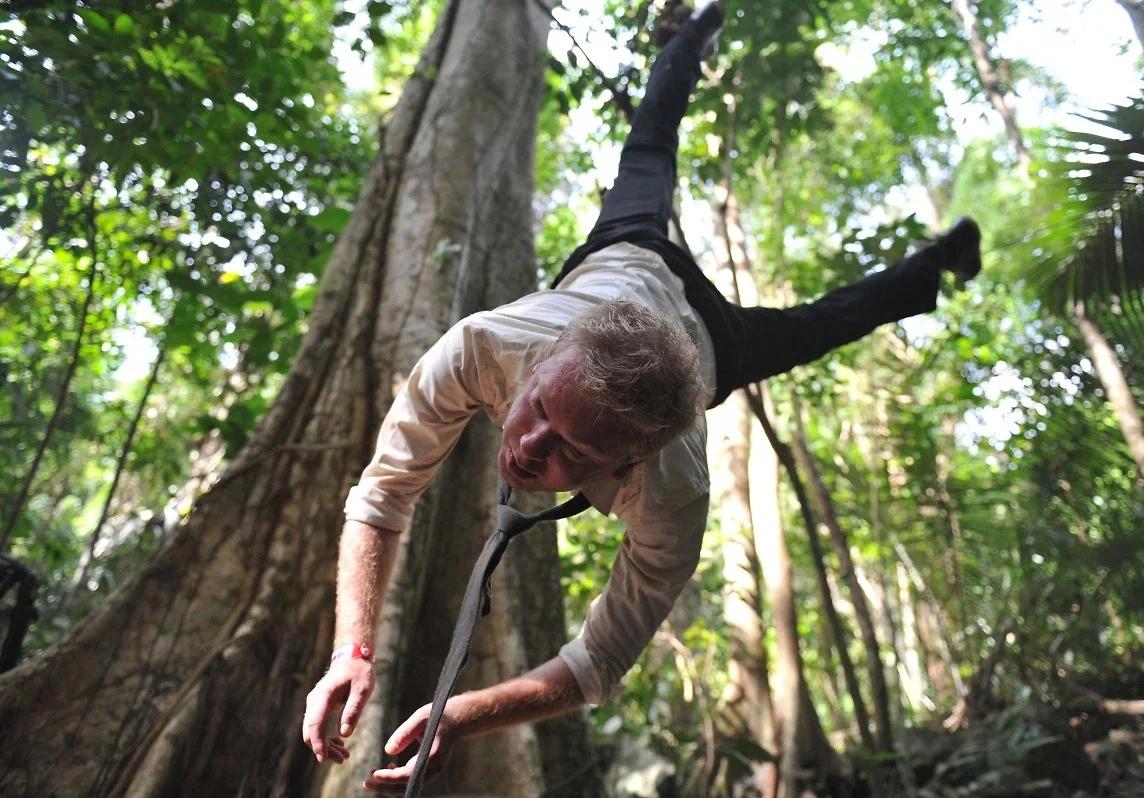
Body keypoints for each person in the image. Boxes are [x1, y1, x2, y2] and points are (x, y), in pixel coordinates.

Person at [302, 2, 982, 791]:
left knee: (825, 324)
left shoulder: (672, 487)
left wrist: (465, 711)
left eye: (571, 452)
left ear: (629, 462)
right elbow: (382, 496)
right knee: (649, 145)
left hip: (711, 348)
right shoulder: (486, 345)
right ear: (547, 357)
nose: (527, 448)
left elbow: (598, 663)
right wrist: (352, 649)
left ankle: (934, 262)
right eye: (537, 412)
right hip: (627, 252)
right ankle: (686, 40)